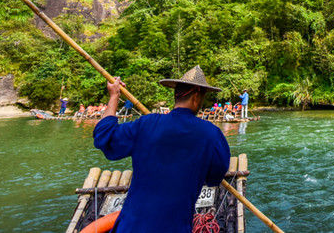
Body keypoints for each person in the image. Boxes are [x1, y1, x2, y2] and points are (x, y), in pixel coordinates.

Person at [93, 66, 231, 233]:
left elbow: (104, 136)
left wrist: (114, 95)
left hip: (130, 227)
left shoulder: (146, 124)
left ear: (176, 95)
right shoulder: (212, 134)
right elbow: (214, 178)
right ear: (196, 96)